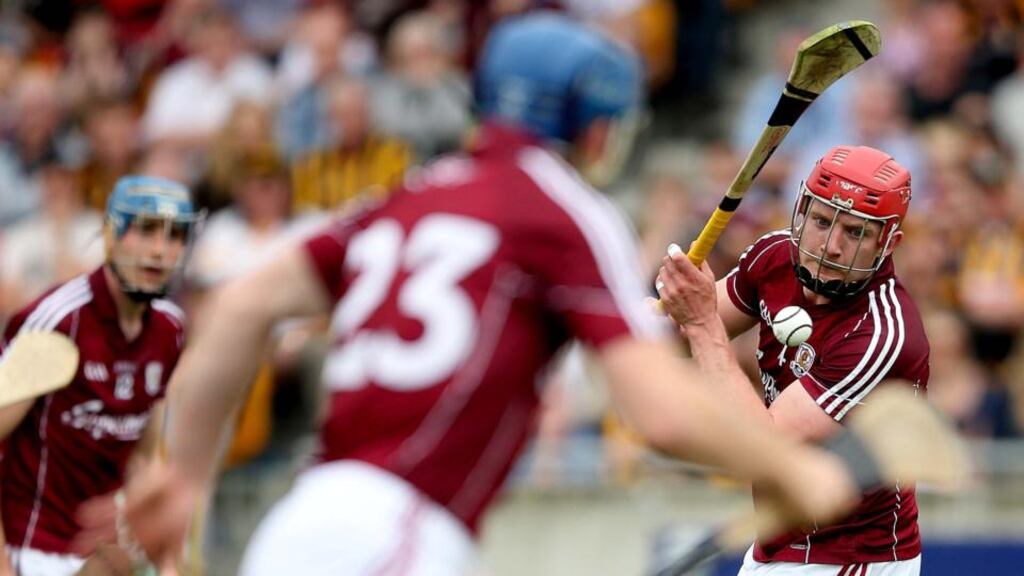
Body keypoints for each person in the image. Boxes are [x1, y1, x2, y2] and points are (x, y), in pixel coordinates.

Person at [79, 14, 867, 575]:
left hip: (304, 519)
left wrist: (184, 475)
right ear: (594, 126)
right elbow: (657, 412)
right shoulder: (565, 208)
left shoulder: (411, 193)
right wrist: (797, 472)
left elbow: (245, 305)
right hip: (400, 535)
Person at [657, 145, 930, 575]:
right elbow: (688, 323)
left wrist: (700, 321)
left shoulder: (881, 336)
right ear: (801, 208)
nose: (831, 246)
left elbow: (761, 441)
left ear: (888, 241)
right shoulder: (774, 256)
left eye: (855, 232)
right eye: (821, 221)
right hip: (779, 544)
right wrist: (671, 296)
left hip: (850, 556)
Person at [0, 175, 202, 575]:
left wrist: (169, 564)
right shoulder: (60, 324)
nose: (159, 252)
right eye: (145, 231)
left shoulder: (170, 331)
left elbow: (145, 459)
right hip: (32, 552)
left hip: (102, 560)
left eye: (175, 235)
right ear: (111, 234)